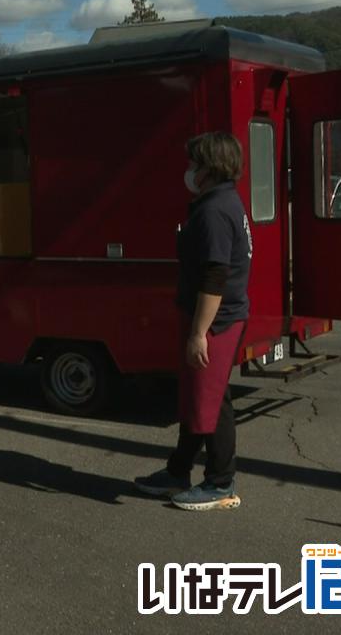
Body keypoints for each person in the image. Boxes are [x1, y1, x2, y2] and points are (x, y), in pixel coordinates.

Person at [135, 132, 252, 511]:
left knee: (212, 402)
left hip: (215, 321)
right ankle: (178, 471)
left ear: (209, 168)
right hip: (213, 317)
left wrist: (199, 333)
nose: (189, 169)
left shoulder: (215, 211)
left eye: (194, 163)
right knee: (198, 399)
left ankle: (220, 482)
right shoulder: (219, 201)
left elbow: (215, 276)